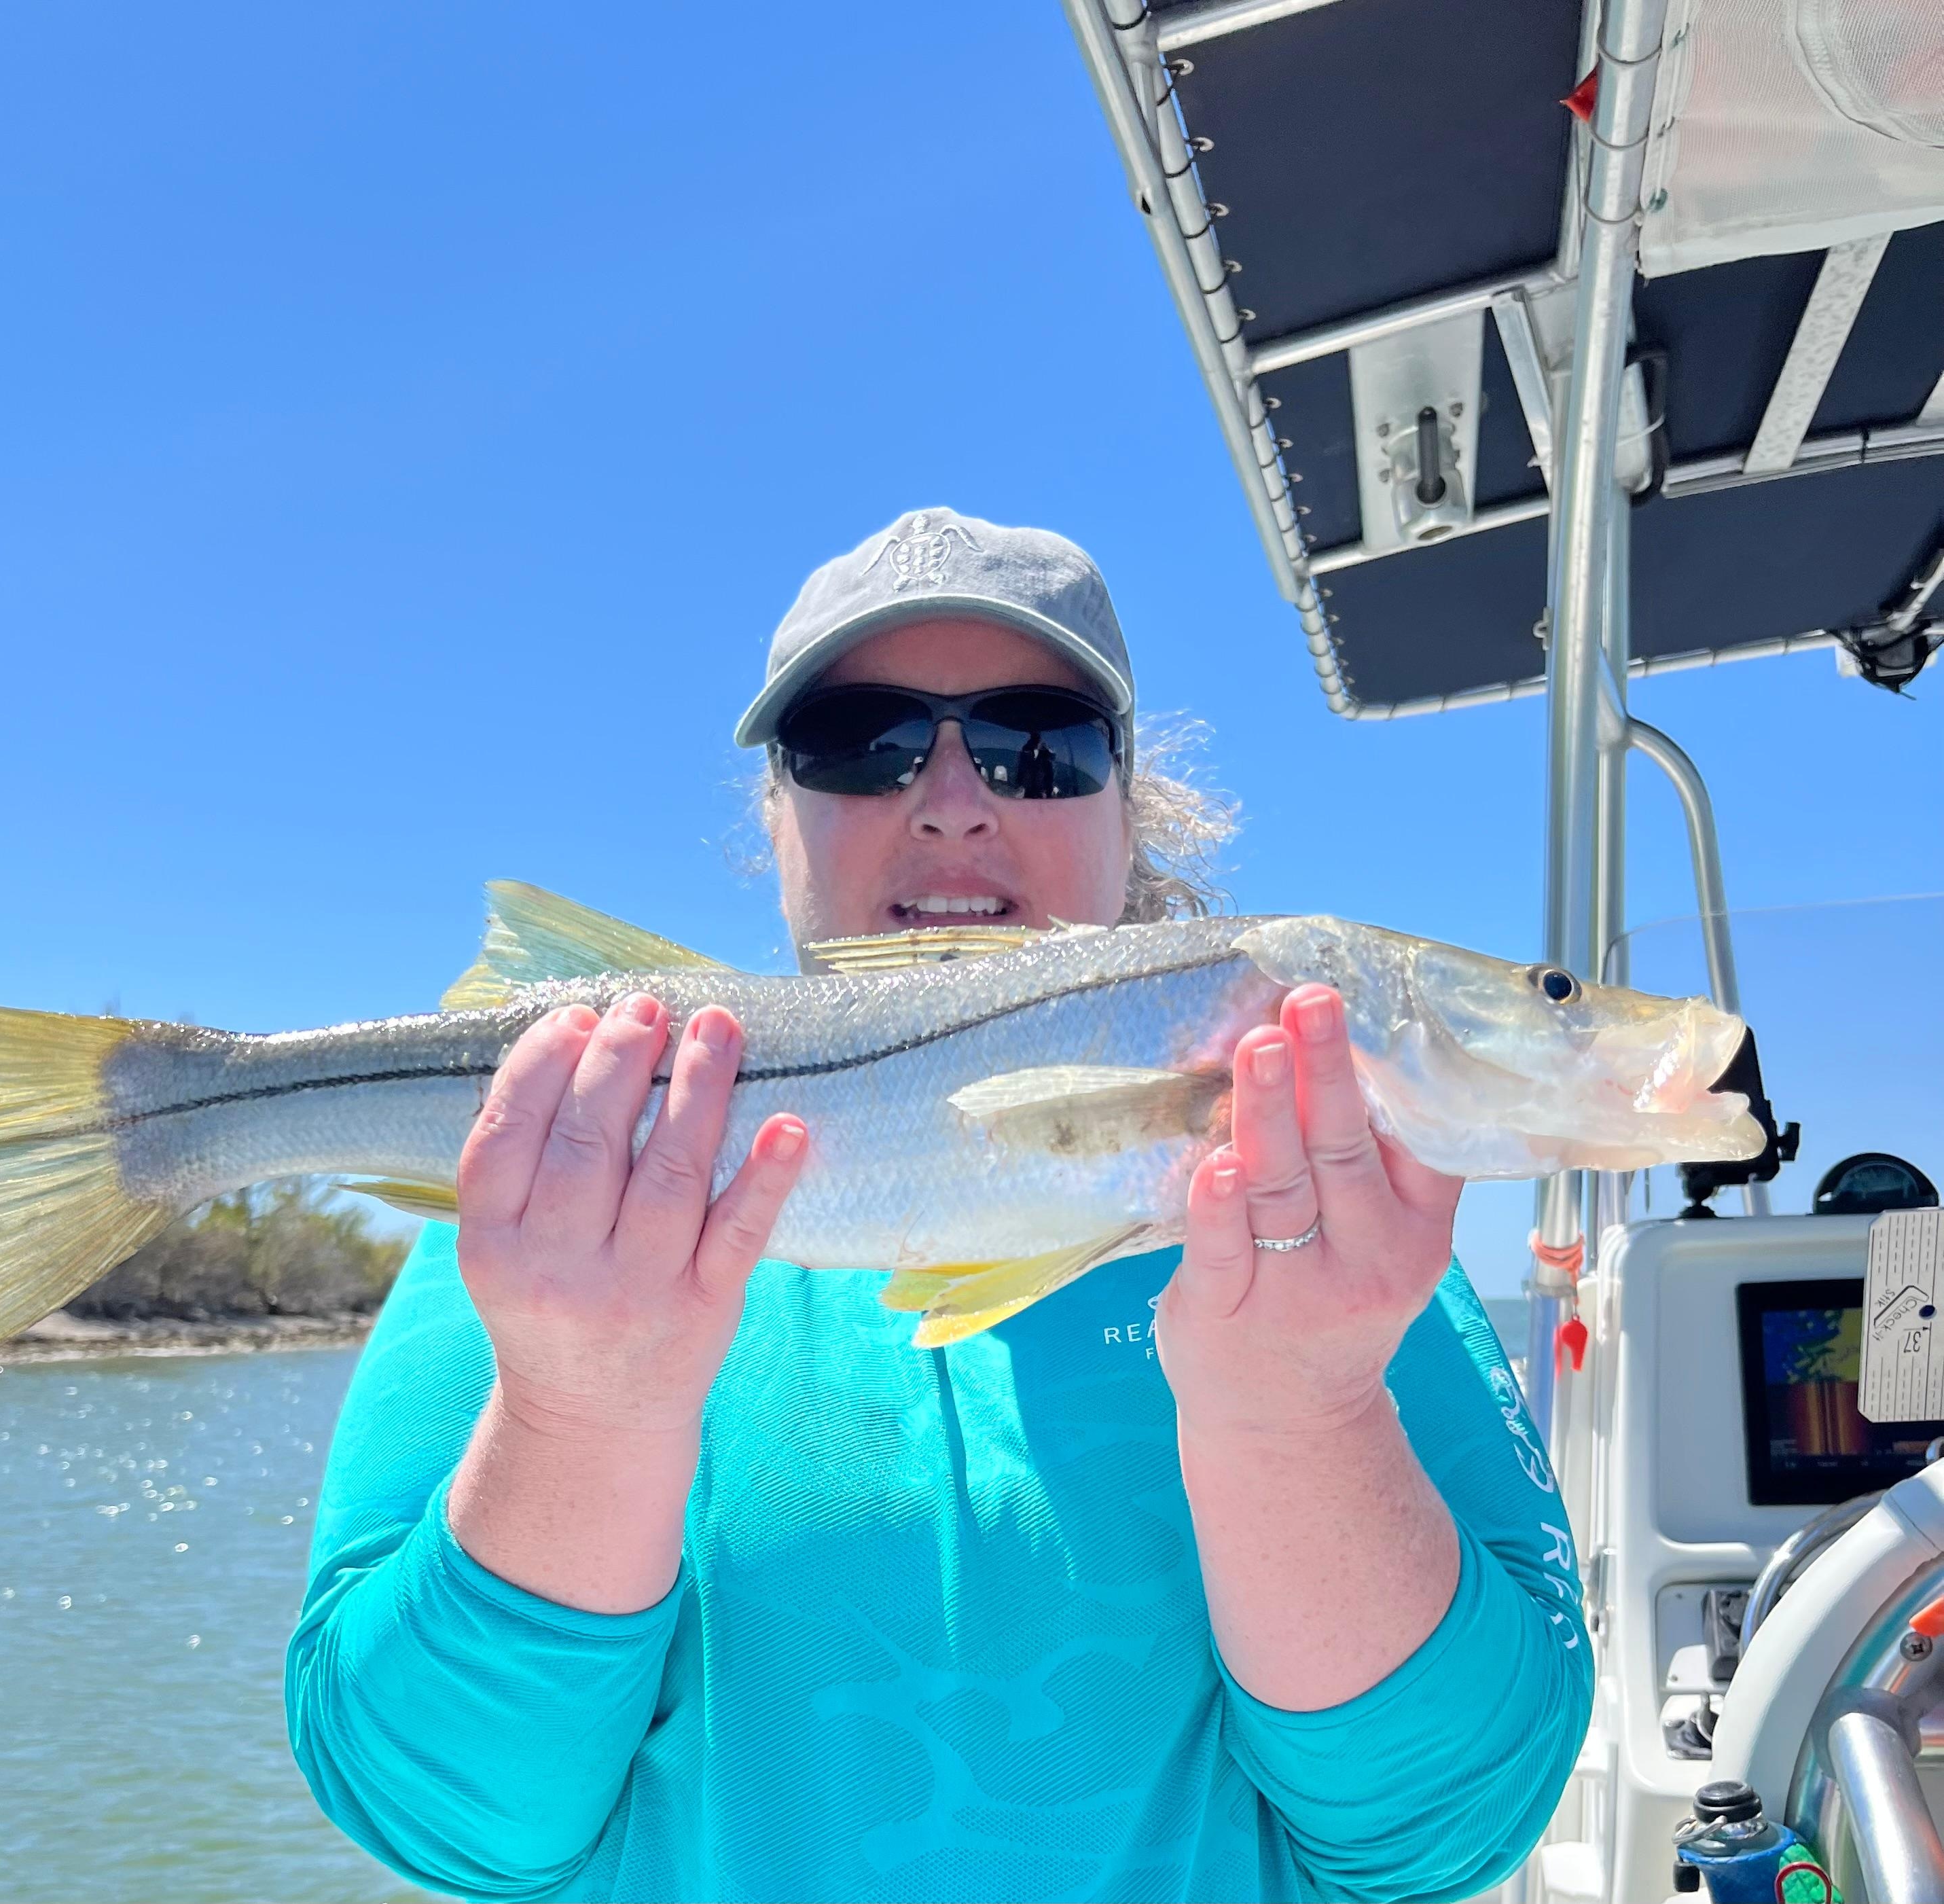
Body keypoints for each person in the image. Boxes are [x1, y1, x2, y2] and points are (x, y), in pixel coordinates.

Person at [287, 507, 1593, 1903]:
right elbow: (446, 1819)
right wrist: (579, 1413)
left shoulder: (1335, 1222)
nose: (955, 798)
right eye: (862, 740)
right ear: (773, 815)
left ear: (1127, 806)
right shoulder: (555, 1206)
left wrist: (1306, 1416)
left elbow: (1442, 1834)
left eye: (1041, 742)